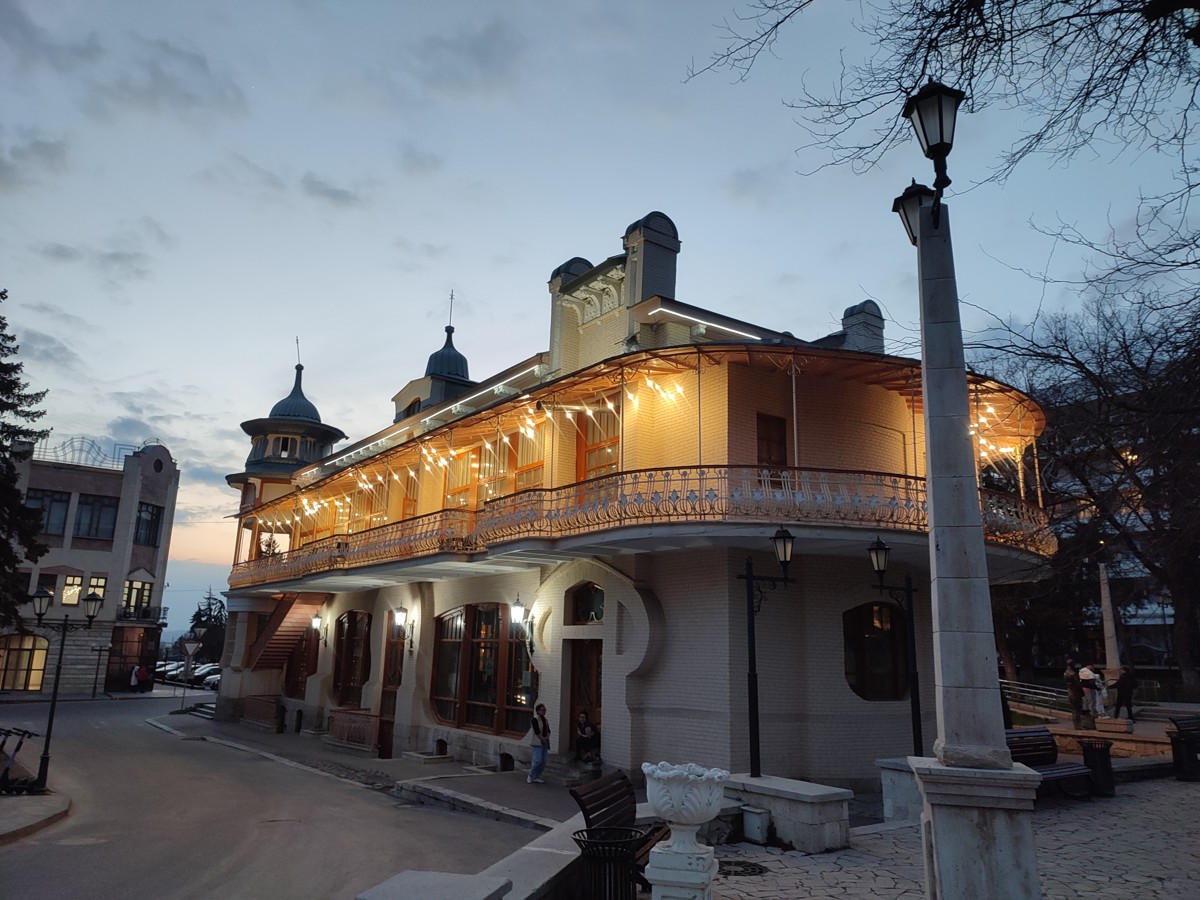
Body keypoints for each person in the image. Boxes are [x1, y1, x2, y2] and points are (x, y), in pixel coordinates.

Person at [528, 703, 550, 784]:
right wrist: (542, 738)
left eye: (544, 710)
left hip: (545, 742)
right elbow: (536, 730)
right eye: (542, 710)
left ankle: (537, 776)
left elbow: (548, 730)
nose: (544, 712)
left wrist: (547, 737)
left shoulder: (546, 720)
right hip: (538, 742)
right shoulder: (535, 719)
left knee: (543, 761)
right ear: (538, 711)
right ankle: (530, 775)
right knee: (537, 760)